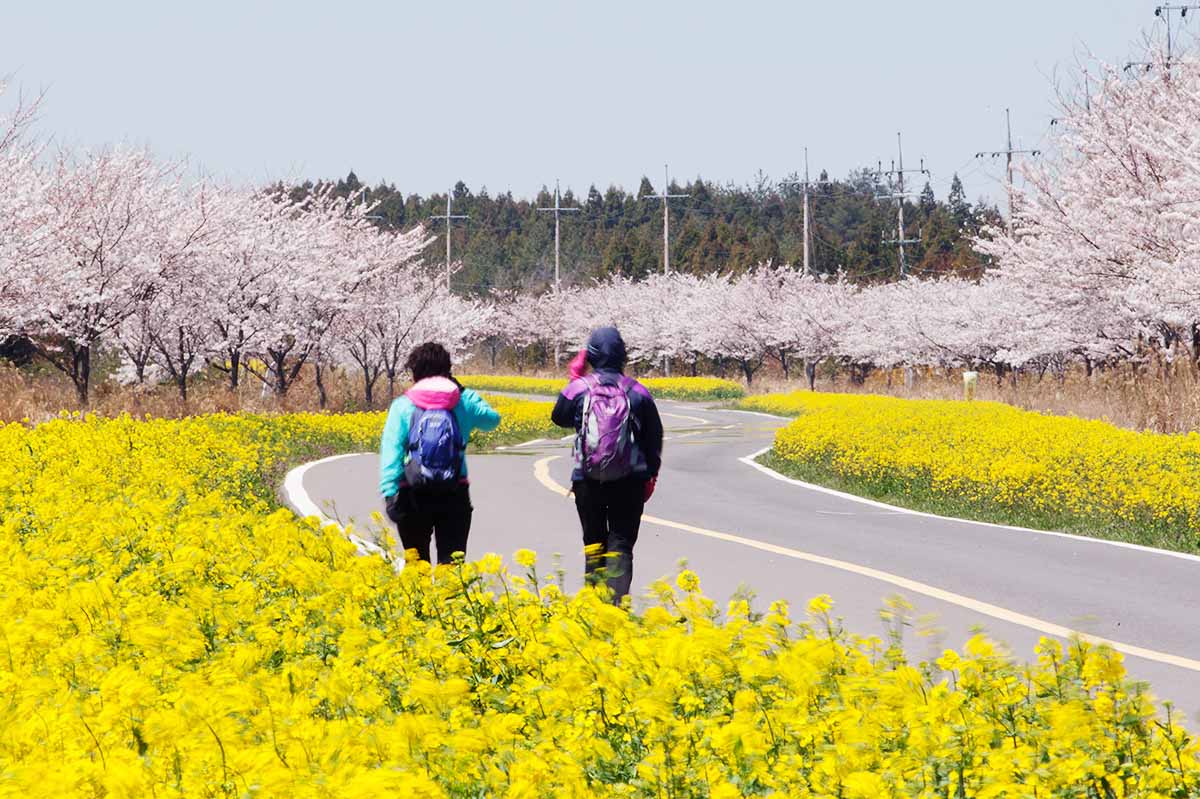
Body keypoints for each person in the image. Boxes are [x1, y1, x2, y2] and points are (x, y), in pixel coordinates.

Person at [551, 327, 664, 603]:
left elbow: (559, 417)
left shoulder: (580, 388)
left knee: (594, 544)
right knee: (621, 545)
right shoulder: (637, 391)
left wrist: (576, 377)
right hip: (630, 480)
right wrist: (650, 473)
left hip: (587, 478)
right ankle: (616, 609)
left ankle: (594, 610)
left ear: (590, 355)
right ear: (623, 356)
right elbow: (654, 435)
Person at [379, 342, 501, 564]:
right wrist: (465, 392)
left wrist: (390, 494)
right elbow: (493, 420)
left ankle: (419, 599)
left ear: (414, 373)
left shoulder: (403, 405)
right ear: (448, 370)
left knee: (417, 568)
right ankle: (450, 599)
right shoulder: (462, 402)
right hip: (454, 491)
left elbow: (392, 452)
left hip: (412, 492)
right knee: (452, 567)